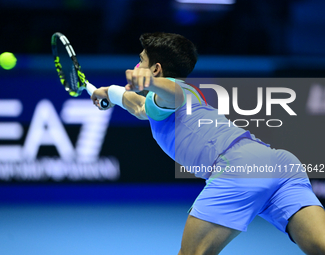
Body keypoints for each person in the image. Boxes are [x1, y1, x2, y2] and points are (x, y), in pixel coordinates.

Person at [91, 32, 325, 255]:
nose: (136, 65)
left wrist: (149, 81)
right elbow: (140, 108)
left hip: (238, 168)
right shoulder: (178, 98)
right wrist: (110, 93)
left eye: (140, 60)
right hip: (278, 164)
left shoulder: (175, 91)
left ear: (156, 68)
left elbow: (169, 91)